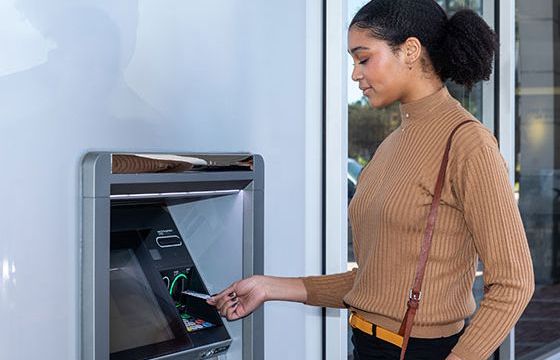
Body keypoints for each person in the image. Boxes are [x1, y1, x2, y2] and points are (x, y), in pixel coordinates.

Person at [207, 0, 535, 359]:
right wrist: (269, 286)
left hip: (423, 351)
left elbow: (513, 284)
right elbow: (374, 283)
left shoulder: (468, 143)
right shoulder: (391, 146)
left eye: (363, 58)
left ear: (410, 50)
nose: (355, 74)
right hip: (366, 346)